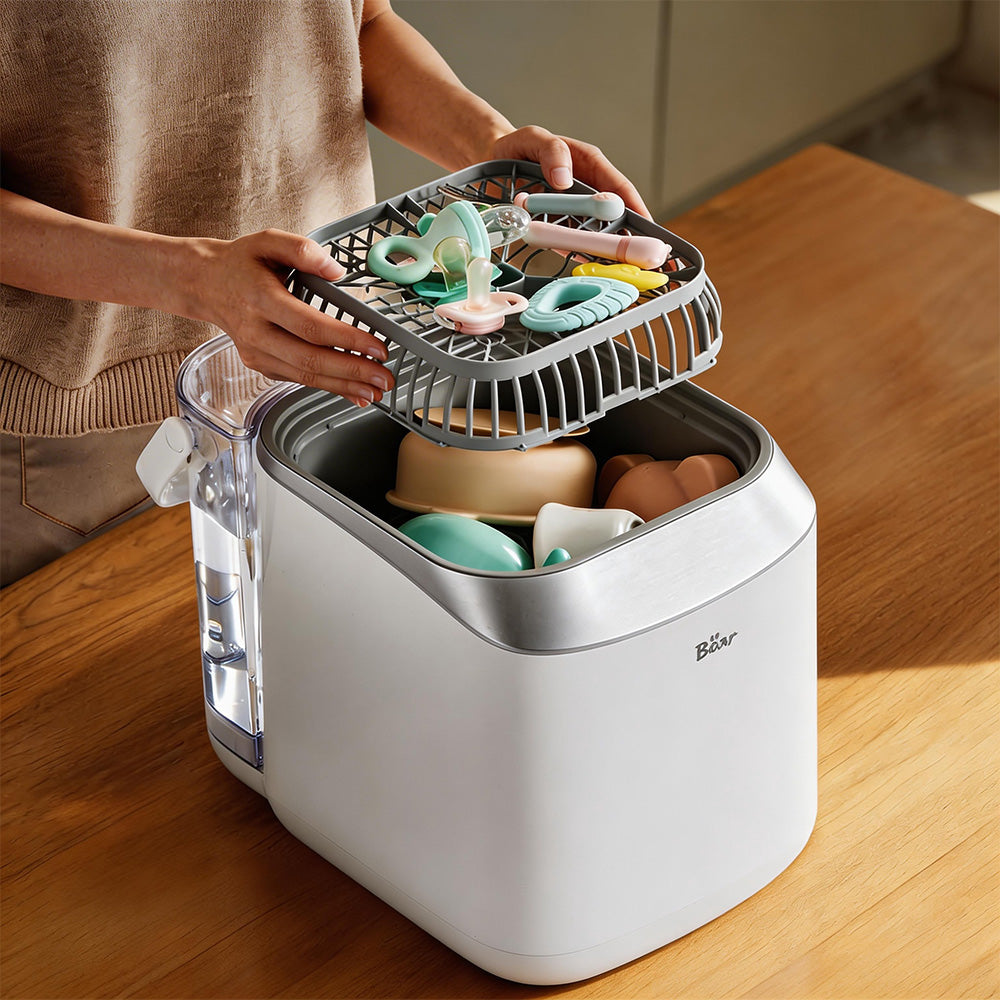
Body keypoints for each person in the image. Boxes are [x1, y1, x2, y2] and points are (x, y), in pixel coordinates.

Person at [0, 0, 651, 587]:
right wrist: (193, 278)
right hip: (96, 427)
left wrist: (488, 147)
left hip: (345, 355)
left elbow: (358, 25)